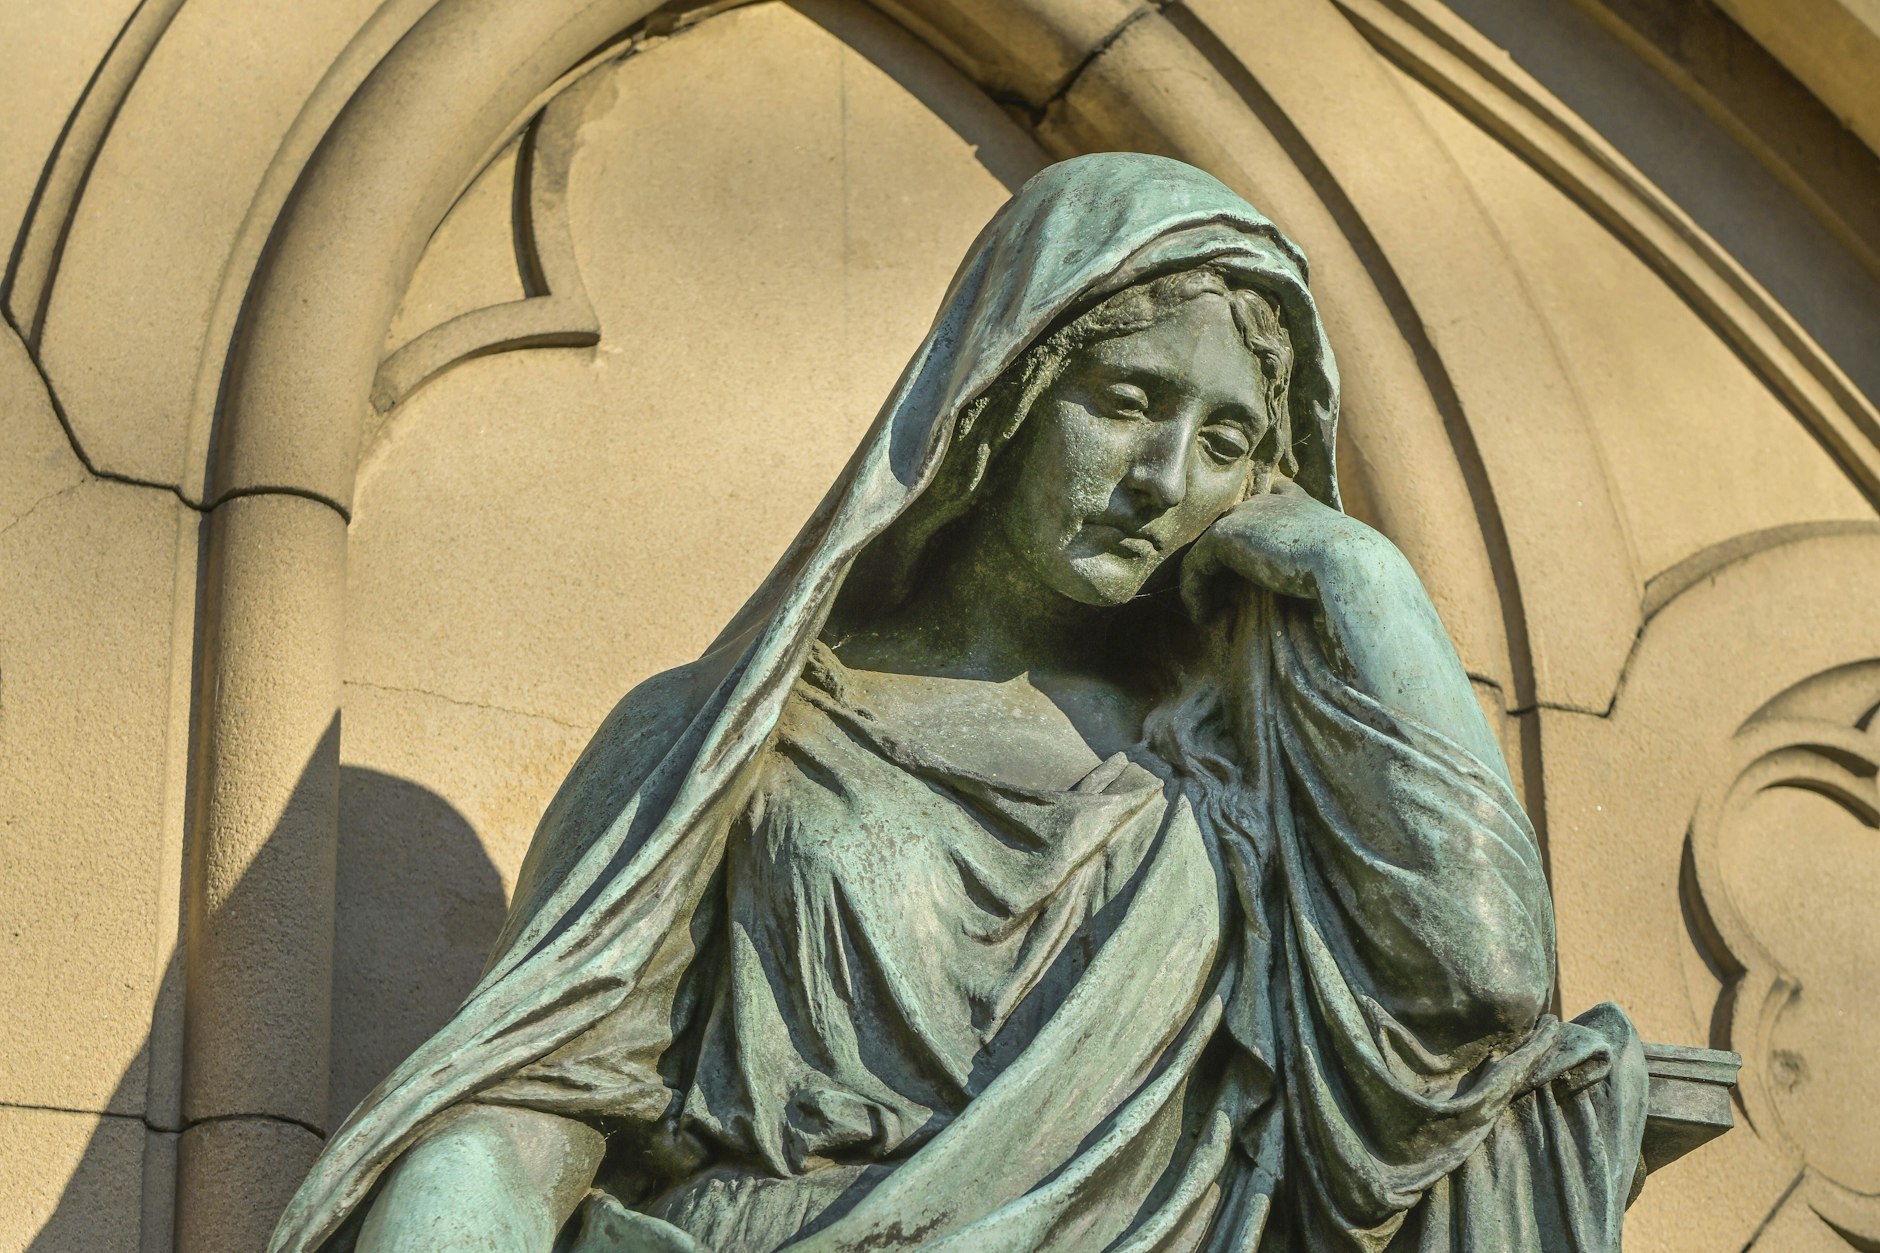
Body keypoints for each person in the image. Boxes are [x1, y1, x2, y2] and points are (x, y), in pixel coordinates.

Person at [272, 152, 1645, 1253]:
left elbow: (1485, 992)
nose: (1167, 475)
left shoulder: (1234, 793)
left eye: (1226, 440)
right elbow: (525, 1118)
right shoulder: (724, 743)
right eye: (1127, 398)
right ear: (1005, 393)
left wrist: (1366, 579)